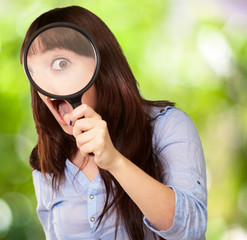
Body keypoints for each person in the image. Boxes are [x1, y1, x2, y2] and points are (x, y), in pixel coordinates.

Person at [20, 5, 207, 240]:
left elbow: (190, 230)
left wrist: (114, 161)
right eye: (35, 73)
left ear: (101, 64)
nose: (47, 87)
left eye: (61, 64)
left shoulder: (168, 126)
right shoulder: (49, 159)